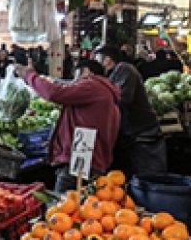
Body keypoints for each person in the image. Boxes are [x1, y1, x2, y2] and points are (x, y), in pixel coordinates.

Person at [21, 60, 121, 192]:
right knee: (83, 206)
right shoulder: (105, 93)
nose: (74, 81)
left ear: (86, 71)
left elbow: (54, 93)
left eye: (76, 75)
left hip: (80, 161)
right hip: (93, 160)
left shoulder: (92, 86)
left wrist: (30, 75)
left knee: (63, 205)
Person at [97, 46, 165, 177]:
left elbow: (122, 98)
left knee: (146, 179)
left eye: (98, 59)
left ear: (107, 59)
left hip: (143, 136)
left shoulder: (124, 69)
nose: (96, 64)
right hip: (131, 135)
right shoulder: (112, 74)